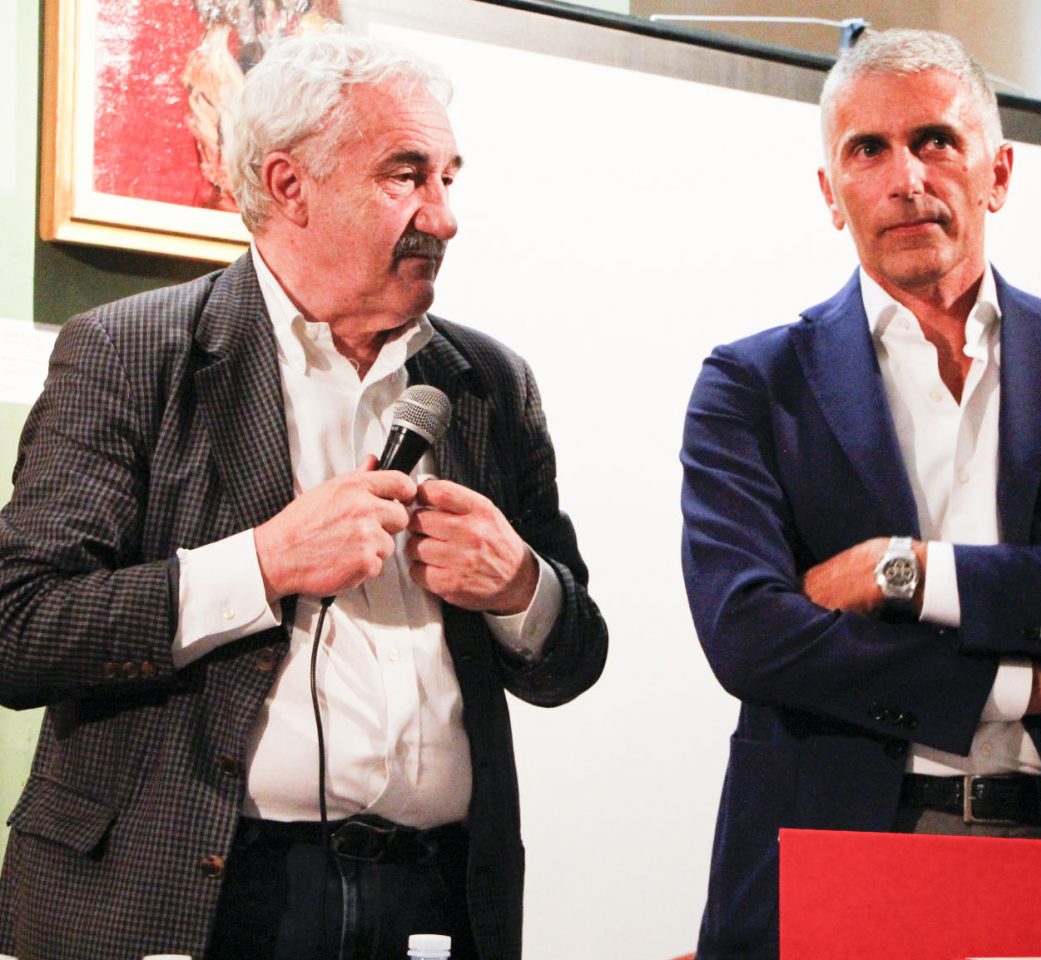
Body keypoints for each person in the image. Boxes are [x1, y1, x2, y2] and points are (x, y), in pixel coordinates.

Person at [0, 31, 606, 960]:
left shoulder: (489, 382)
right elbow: (20, 629)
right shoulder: (131, 352)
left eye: (449, 178)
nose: (444, 218)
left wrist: (522, 587)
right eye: (406, 175)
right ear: (290, 185)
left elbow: (572, 660)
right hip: (198, 892)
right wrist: (262, 564)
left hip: (431, 897)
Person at [680, 28, 1041, 959]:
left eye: (935, 140)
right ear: (831, 193)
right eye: (868, 149)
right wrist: (1022, 683)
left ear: (997, 173)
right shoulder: (752, 387)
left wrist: (909, 573)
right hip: (845, 851)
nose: (906, 178)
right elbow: (752, 635)